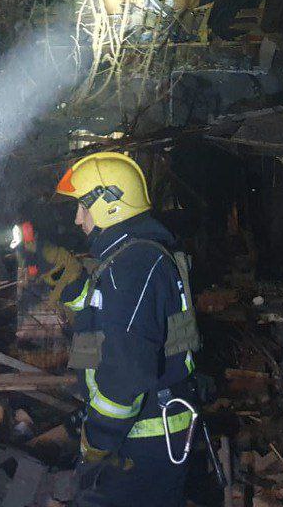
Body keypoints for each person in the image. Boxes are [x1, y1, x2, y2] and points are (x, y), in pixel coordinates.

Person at [18, 151, 200, 507]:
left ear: (110, 205)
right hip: (146, 432)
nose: (77, 218)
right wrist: (69, 281)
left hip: (138, 443)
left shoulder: (132, 268)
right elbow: (105, 314)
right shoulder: (132, 258)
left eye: (83, 207)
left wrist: (98, 441)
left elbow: (125, 375)